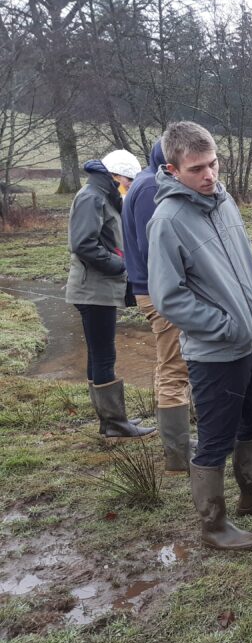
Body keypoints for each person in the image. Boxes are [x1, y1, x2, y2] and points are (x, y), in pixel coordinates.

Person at [148, 121, 252, 551]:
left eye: (212, 164)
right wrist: (225, 326)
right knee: (214, 439)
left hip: (248, 343)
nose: (209, 175)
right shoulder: (168, 220)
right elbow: (168, 297)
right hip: (214, 353)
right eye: (196, 169)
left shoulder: (223, 202)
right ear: (173, 170)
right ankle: (213, 525)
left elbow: (242, 268)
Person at [66, 149, 155, 443]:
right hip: (94, 290)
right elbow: (83, 244)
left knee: (98, 353)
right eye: (127, 180)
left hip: (100, 288)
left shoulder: (102, 195)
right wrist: (123, 266)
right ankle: (115, 423)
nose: (129, 185)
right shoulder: (92, 197)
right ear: (114, 175)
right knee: (105, 354)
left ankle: (110, 420)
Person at [122, 138, 194, 473]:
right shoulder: (152, 186)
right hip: (159, 292)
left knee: (169, 364)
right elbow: (155, 249)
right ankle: (179, 454)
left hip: (151, 289)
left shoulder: (142, 180)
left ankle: (178, 442)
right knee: (175, 369)